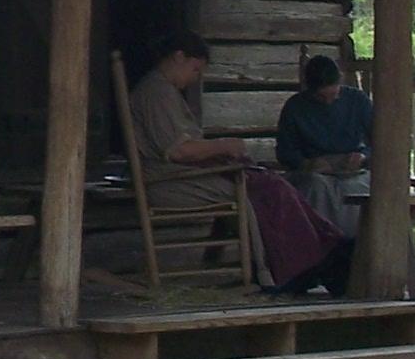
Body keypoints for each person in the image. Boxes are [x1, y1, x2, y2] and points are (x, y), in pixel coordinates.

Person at [128, 35, 350, 295]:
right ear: (179, 57)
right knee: (258, 192)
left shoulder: (165, 91)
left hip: (186, 174)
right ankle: (282, 269)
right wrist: (225, 146)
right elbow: (179, 151)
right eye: (195, 68)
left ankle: (319, 251)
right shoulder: (157, 91)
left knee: (271, 184)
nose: (196, 77)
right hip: (171, 180)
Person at [274, 54, 376, 236]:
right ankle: (324, 243)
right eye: (322, 98)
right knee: (317, 188)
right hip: (314, 173)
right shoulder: (295, 107)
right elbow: (285, 152)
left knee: (358, 189)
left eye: (333, 96)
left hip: (352, 171)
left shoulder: (357, 101)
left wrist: (364, 156)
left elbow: (379, 142)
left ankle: (357, 243)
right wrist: (306, 164)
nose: (328, 102)